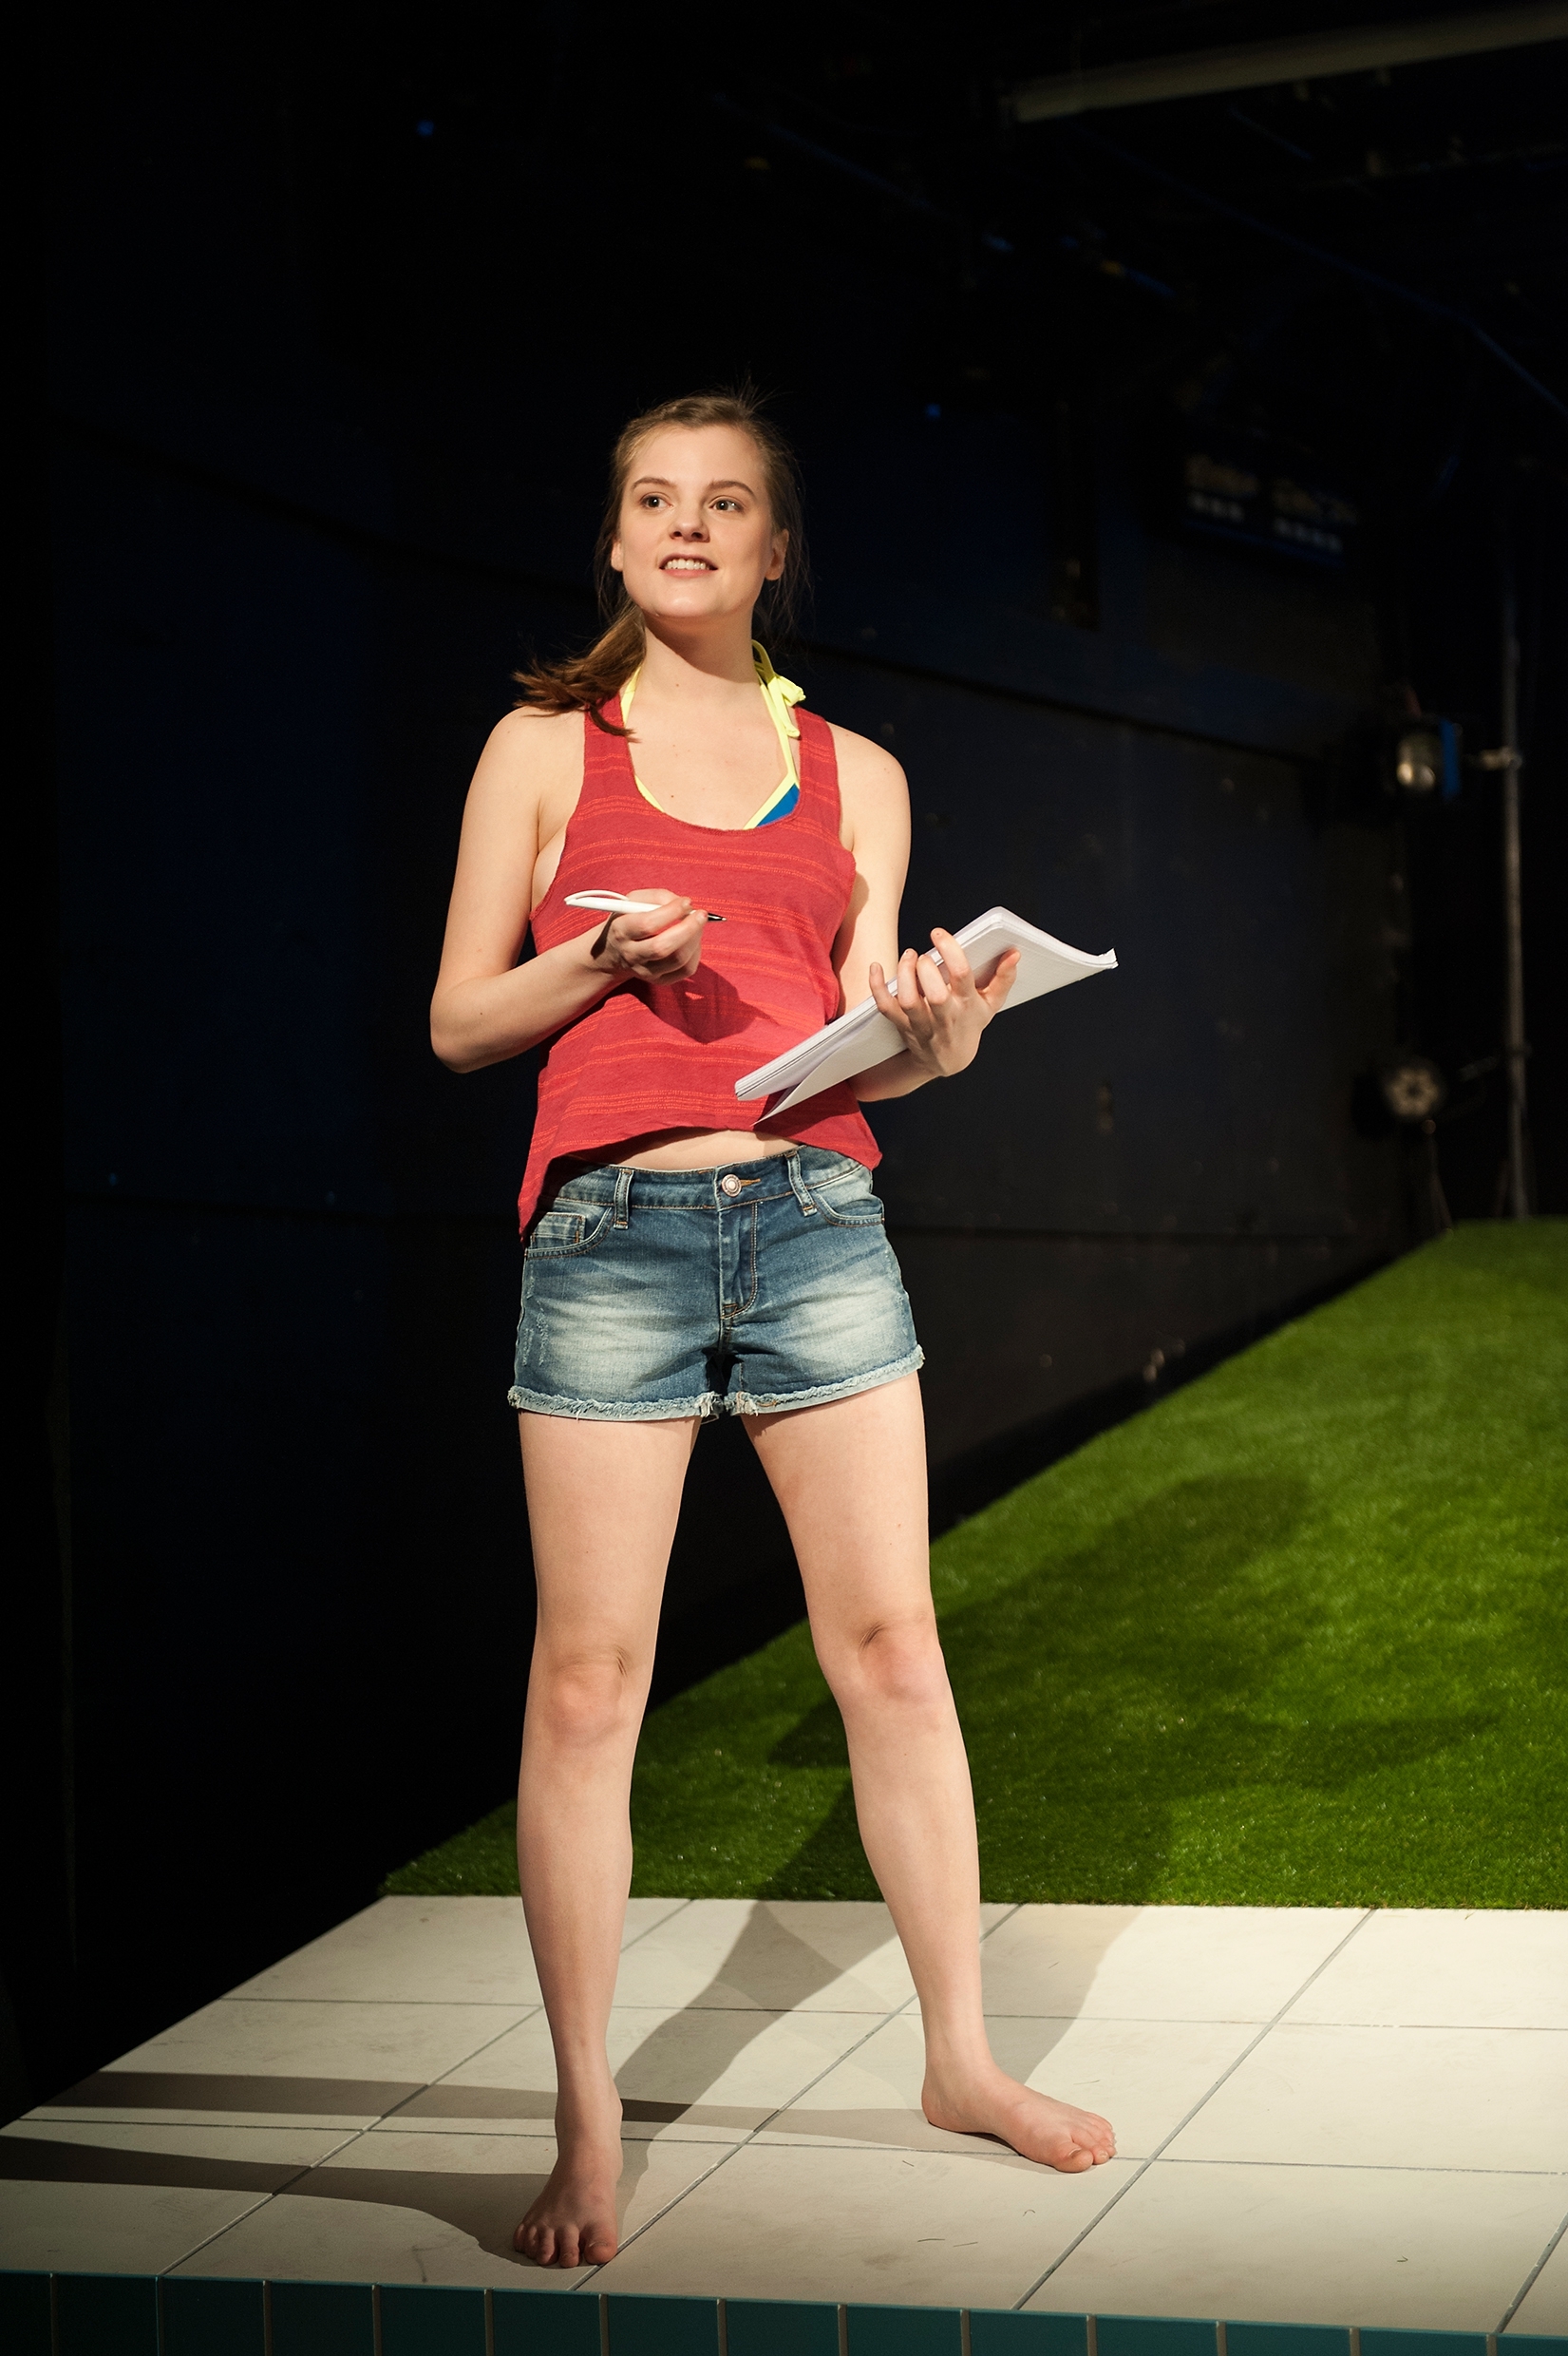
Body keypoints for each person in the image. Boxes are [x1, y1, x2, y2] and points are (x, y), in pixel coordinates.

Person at [430, 389, 1116, 2270]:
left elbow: (870, 1030)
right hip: (612, 1234)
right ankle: (587, 2120)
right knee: (590, 1685)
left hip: (815, 1219)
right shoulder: (542, 748)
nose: (686, 524)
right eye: (653, 498)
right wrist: (597, 961)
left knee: (891, 1652)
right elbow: (460, 1022)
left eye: (723, 503)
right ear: (615, 538)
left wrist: (939, 1033)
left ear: (773, 549)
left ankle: (960, 2061)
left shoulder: (856, 771)